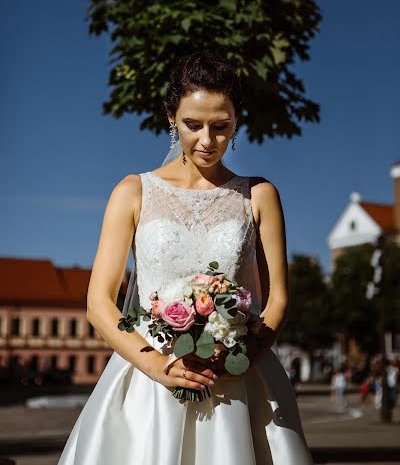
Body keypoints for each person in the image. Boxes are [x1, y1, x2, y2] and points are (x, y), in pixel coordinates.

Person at [58, 51, 314, 464]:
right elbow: (99, 302)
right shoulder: (132, 191)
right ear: (171, 117)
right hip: (150, 379)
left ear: (237, 121)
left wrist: (244, 355)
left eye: (221, 126)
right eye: (193, 125)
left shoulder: (259, 195)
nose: (208, 141)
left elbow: (278, 299)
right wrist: (159, 366)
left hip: (238, 374)